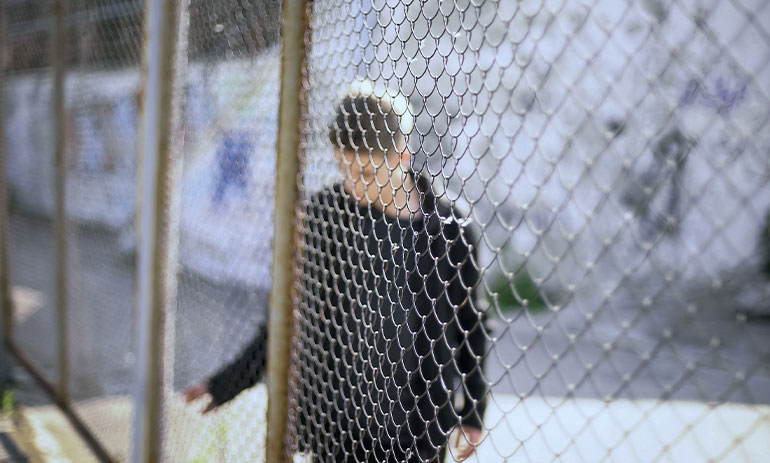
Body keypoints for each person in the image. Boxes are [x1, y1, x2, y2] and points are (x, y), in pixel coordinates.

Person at [185, 89, 488, 462]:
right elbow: (291, 316)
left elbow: (471, 324)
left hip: (418, 432)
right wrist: (230, 381)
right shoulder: (327, 215)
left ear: (402, 157)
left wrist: (473, 411)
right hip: (338, 430)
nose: (351, 186)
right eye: (343, 169)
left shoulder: (450, 229)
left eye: (364, 171)